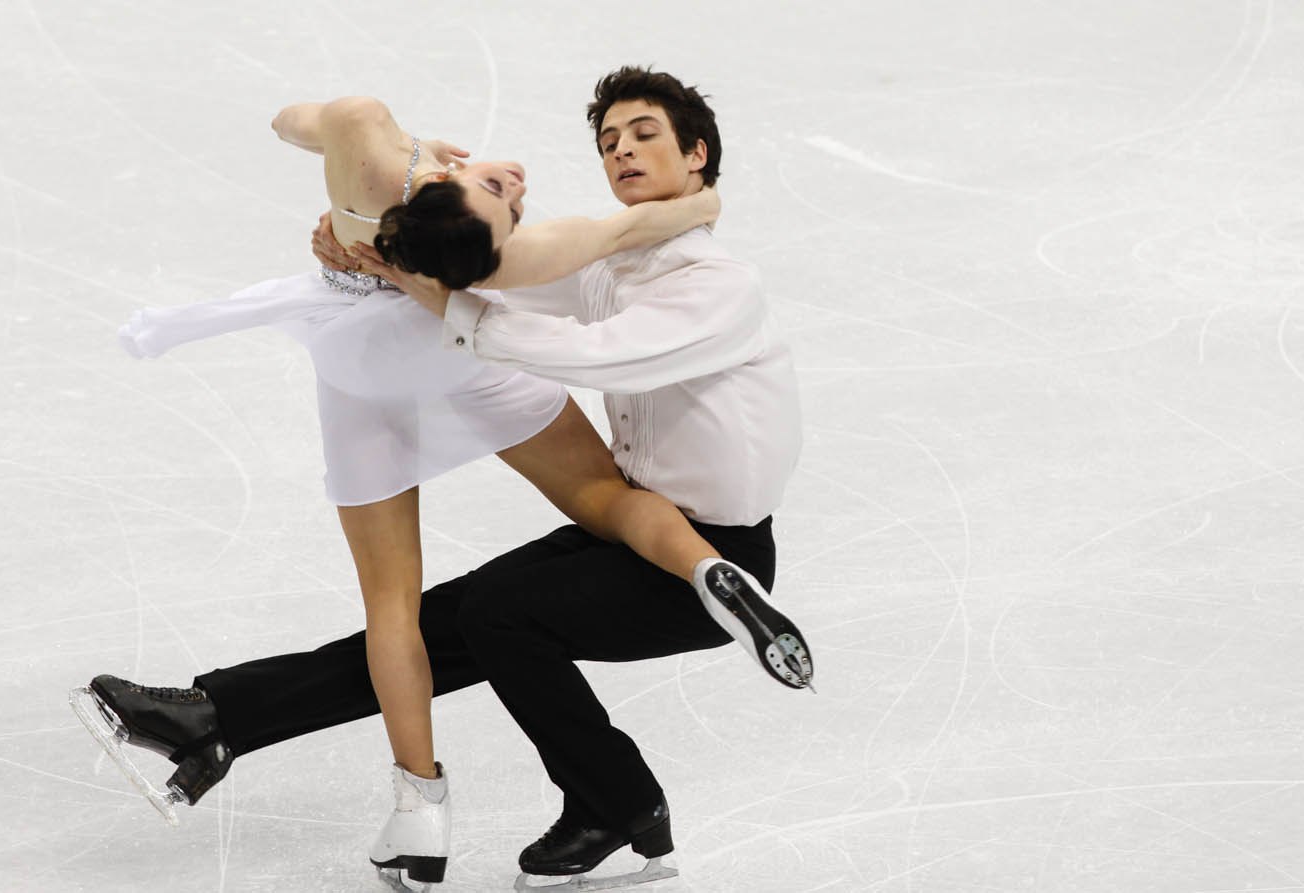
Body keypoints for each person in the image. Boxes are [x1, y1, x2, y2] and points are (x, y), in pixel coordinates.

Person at [78, 66, 809, 891]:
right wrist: (381, 253)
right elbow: (501, 270)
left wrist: (430, 288)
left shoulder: (720, 288)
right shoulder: (612, 268)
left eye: (644, 135)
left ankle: (619, 804)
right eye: (610, 142)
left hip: (715, 548)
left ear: (697, 152)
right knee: (441, 623)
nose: (622, 152)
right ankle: (220, 718)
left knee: (499, 615)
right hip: (641, 527)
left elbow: (588, 354)